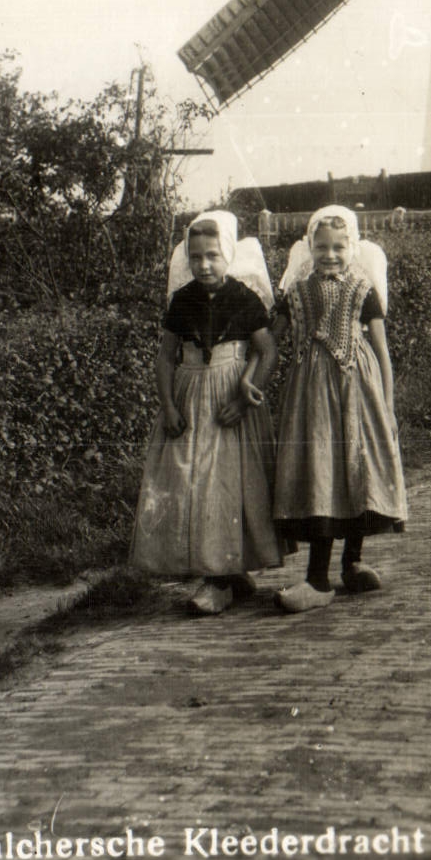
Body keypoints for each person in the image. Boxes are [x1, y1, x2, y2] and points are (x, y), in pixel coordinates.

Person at [130, 210, 282, 615]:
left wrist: (245, 398)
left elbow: (267, 351)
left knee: (231, 484)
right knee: (195, 483)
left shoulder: (244, 298)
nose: (204, 265)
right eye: (195, 257)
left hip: (230, 397)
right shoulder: (183, 300)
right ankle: (221, 574)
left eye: (212, 256)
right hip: (192, 395)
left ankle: (224, 576)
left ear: (227, 254)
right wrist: (168, 405)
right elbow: (166, 357)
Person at [272, 204, 407, 614]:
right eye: (322, 247)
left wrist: (388, 405)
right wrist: (250, 379)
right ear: (310, 247)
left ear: (353, 248)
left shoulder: (363, 290)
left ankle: (352, 562)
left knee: (355, 465)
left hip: (358, 389)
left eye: (339, 247)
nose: (330, 255)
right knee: (321, 470)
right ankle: (317, 578)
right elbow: (271, 340)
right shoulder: (296, 291)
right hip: (311, 393)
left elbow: (382, 351)